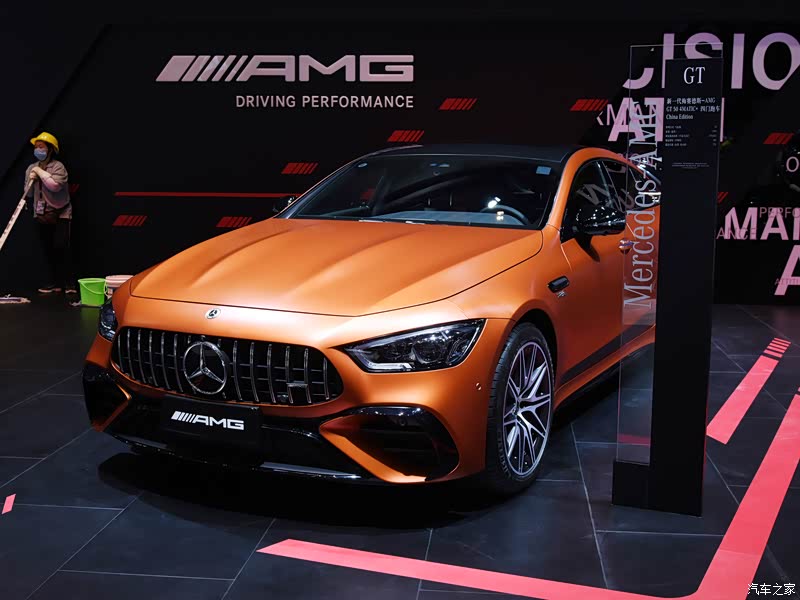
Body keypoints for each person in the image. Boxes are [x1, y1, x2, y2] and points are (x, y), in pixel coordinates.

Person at [24, 132, 76, 295]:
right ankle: (55, 284)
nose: (38, 150)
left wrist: (40, 172)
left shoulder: (58, 167)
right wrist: (31, 178)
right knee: (48, 249)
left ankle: (69, 284)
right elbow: (28, 194)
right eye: (36, 147)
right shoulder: (31, 168)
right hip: (42, 213)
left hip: (61, 212)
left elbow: (55, 186)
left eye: (41, 147)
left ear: (50, 149)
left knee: (61, 247)